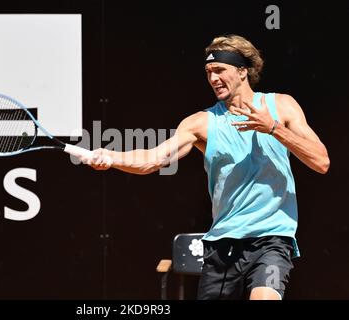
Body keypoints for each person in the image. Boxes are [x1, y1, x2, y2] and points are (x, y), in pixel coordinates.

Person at [82, 34, 330, 300]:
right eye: (209, 72)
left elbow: (321, 161)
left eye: (220, 70)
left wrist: (273, 128)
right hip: (222, 246)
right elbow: (154, 159)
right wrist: (111, 157)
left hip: (271, 240)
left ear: (243, 71)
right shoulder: (200, 123)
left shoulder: (281, 106)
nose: (213, 79)